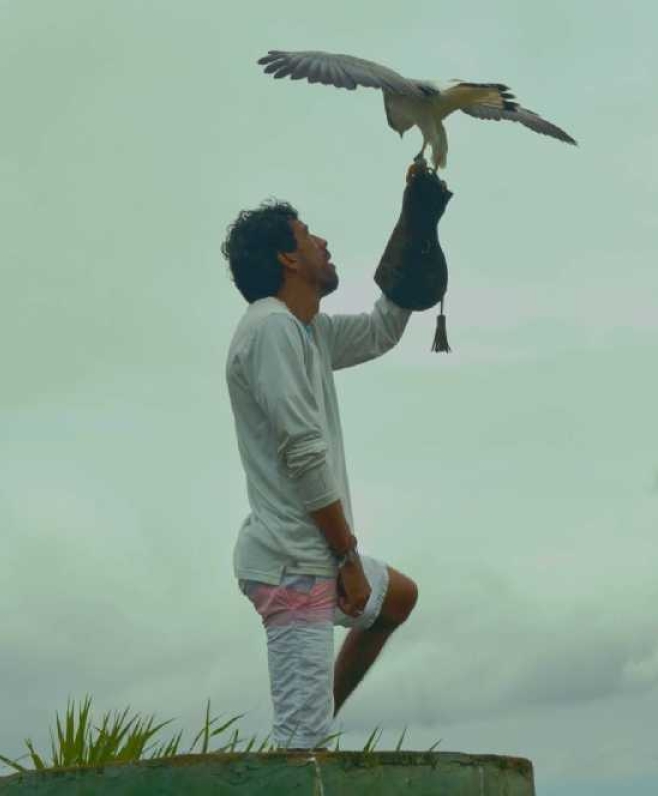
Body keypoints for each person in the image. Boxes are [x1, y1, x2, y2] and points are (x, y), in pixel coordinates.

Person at [221, 164, 450, 749]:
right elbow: (302, 452)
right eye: (307, 235)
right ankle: (311, 727)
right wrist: (346, 555)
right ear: (288, 261)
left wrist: (415, 225)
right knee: (301, 754)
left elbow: (379, 332)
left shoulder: (306, 330)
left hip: (312, 554)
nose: (323, 242)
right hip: (295, 565)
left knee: (398, 599)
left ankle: (321, 710)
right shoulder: (271, 329)